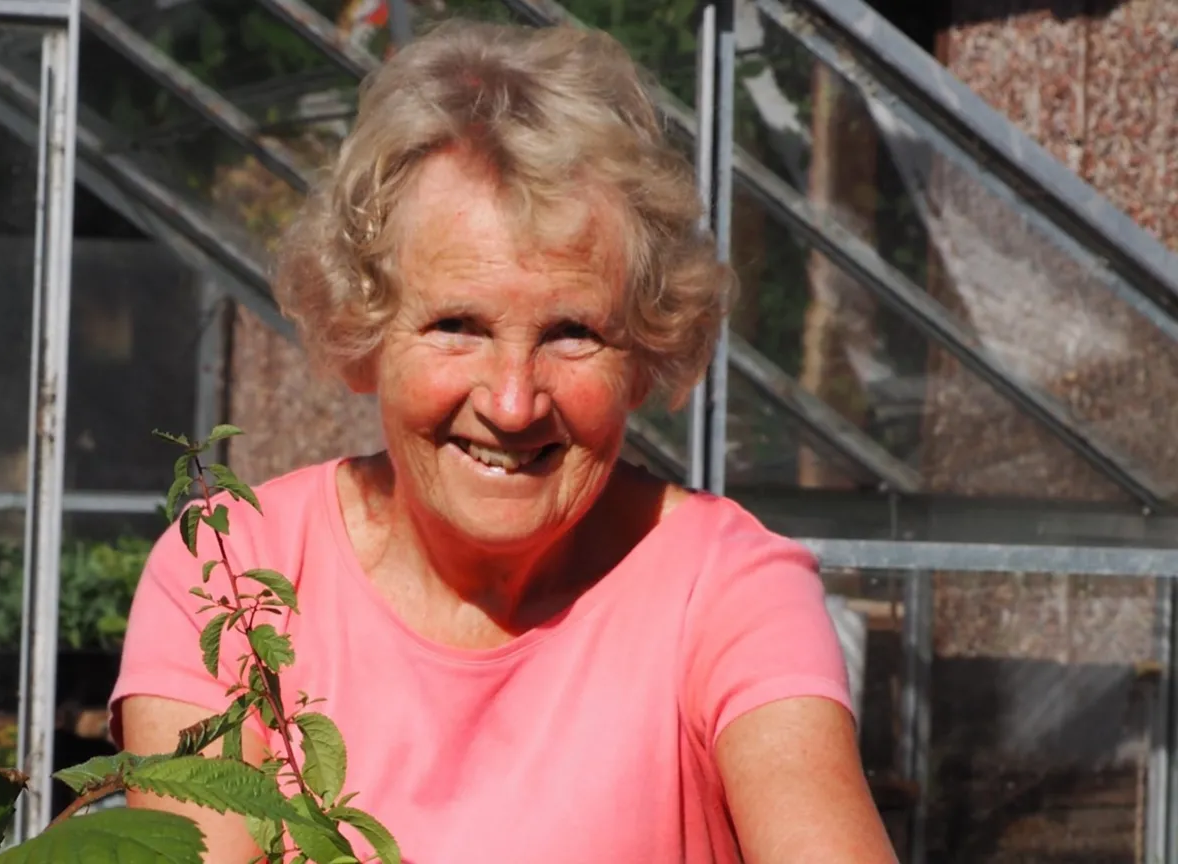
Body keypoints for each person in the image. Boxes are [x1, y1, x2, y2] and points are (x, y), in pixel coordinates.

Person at [109, 19, 896, 864]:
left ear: (645, 352)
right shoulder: (233, 574)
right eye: (458, 326)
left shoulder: (728, 593)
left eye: (571, 332)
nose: (514, 402)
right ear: (366, 331)